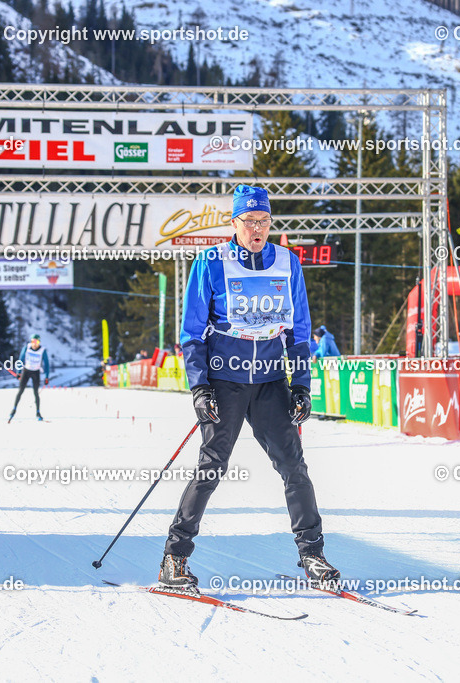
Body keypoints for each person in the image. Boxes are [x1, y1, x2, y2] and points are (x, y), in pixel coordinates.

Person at [159, 184, 339, 592]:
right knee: (212, 467)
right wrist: (199, 387)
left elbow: (299, 331)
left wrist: (302, 385)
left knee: (294, 468)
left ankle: (313, 554)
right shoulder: (210, 262)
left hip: (272, 381)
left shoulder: (288, 264)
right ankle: (175, 556)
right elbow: (191, 332)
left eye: (264, 221)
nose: (257, 229)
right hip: (225, 381)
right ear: (234, 222)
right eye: (249, 221)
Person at [9, 333, 50, 421]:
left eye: (37, 341)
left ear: (39, 342)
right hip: (26, 371)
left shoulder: (43, 350)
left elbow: (46, 364)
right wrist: (19, 372)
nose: (34, 343)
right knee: (20, 391)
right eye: (33, 341)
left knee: (36, 393)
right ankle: (14, 410)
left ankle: (38, 413)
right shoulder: (26, 348)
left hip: (36, 372)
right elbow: (21, 360)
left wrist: (47, 376)